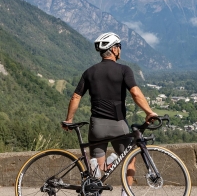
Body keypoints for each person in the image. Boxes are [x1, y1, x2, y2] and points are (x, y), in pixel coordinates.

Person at [62, 32, 157, 196]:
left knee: (97, 173)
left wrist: (69, 119)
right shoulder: (124, 70)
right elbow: (135, 93)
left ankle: (102, 173)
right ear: (114, 49)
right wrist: (149, 112)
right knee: (130, 160)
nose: (120, 50)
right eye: (119, 47)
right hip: (117, 125)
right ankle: (126, 193)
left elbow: (76, 96)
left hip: (96, 126)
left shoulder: (89, 72)